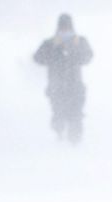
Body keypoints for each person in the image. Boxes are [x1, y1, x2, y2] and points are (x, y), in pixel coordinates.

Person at [33, 14, 93, 144]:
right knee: (59, 113)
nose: (65, 32)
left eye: (67, 28)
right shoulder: (50, 43)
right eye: (63, 28)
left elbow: (88, 56)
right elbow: (37, 57)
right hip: (57, 87)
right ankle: (59, 135)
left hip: (75, 85)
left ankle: (75, 141)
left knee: (75, 114)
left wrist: (74, 53)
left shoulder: (79, 41)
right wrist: (54, 52)